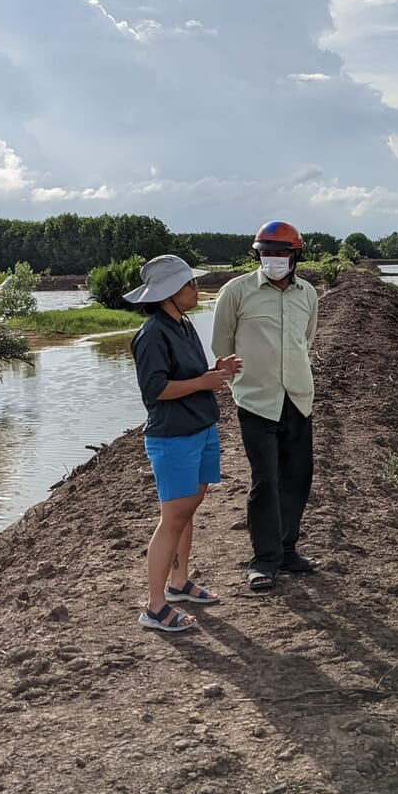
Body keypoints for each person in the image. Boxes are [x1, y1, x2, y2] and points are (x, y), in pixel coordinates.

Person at [126, 254, 241, 631]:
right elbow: (155, 390)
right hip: (173, 437)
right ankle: (155, 607)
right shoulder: (152, 334)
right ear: (170, 292)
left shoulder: (183, 324)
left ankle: (179, 583)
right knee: (172, 518)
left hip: (200, 428)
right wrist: (204, 383)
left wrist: (215, 372)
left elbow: (188, 376)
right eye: (191, 284)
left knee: (187, 511)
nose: (196, 289)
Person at [211, 220, 319, 592]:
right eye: (266, 253)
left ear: (295, 256)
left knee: (297, 478)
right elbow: (223, 343)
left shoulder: (307, 294)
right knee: (266, 479)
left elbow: (306, 339)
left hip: (298, 398)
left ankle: (288, 549)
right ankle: (264, 559)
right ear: (257, 255)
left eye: (281, 253)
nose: (273, 259)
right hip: (257, 401)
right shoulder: (236, 292)